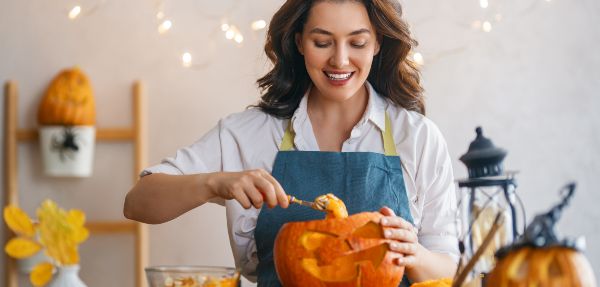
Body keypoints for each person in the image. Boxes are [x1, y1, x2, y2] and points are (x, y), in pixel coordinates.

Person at [124, 0, 459, 286]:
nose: (340, 60)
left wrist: (414, 254)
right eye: (322, 42)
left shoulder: (417, 137)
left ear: (377, 44)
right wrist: (215, 183)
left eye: (356, 42)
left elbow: (451, 267)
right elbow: (138, 202)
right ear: (299, 42)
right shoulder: (248, 133)